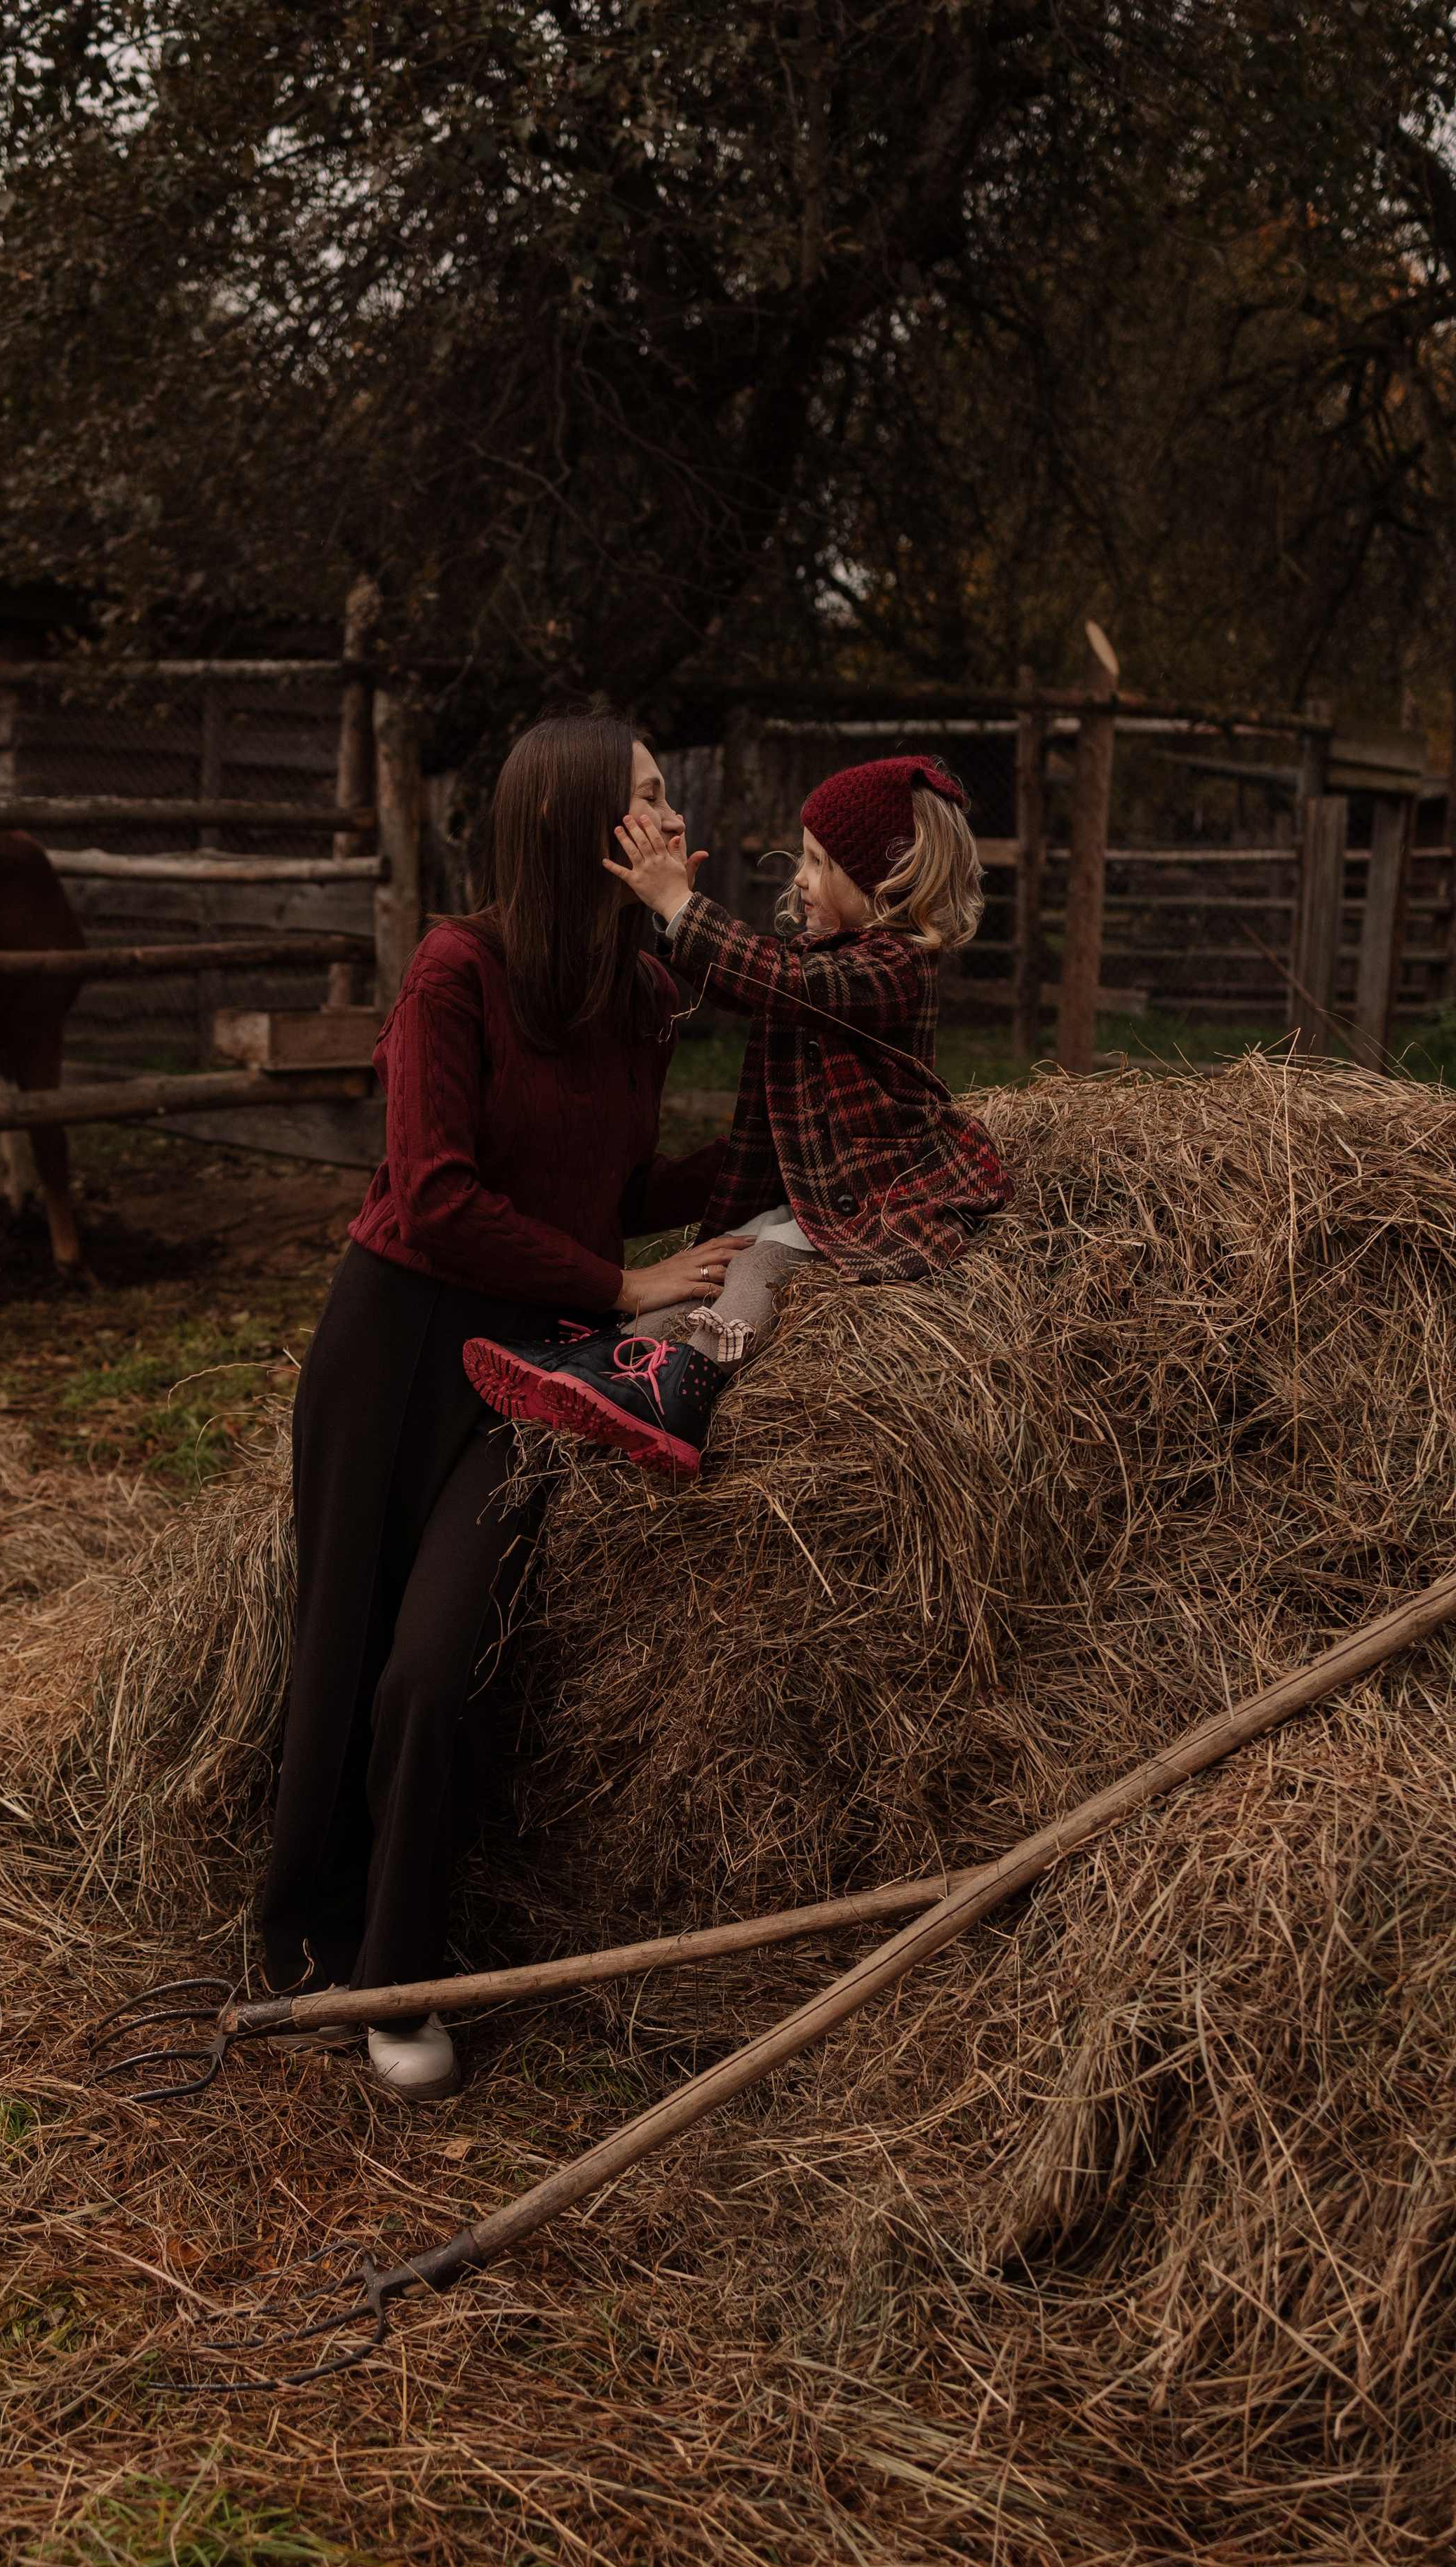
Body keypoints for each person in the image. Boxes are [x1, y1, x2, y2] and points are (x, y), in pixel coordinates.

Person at [260, 715, 741, 2100]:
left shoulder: (643, 997)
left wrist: (766, 1168)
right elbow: (434, 1194)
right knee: (345, 1645)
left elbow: (615, 1182)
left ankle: (399, 1972)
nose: (674, 819)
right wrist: (622, 1282)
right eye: (648, 797)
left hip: (533, 1362)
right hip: (398, 1340)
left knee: (434, 1663)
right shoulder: (454, 969)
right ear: (573, 822)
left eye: (667, 796)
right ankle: (315, 1934)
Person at [464, 754, 1012, 1475]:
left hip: (881, 1193)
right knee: (723, 1258)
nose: (800, 878)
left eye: (819, 863)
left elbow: (779, 980)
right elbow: (749, 980)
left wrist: (678, 906)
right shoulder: (828, 957)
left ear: (885, 883)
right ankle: (611, 1361)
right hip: (824, 1191)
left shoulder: (896, 968)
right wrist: (678, 917)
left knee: (760, 1265)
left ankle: (685, 1392)